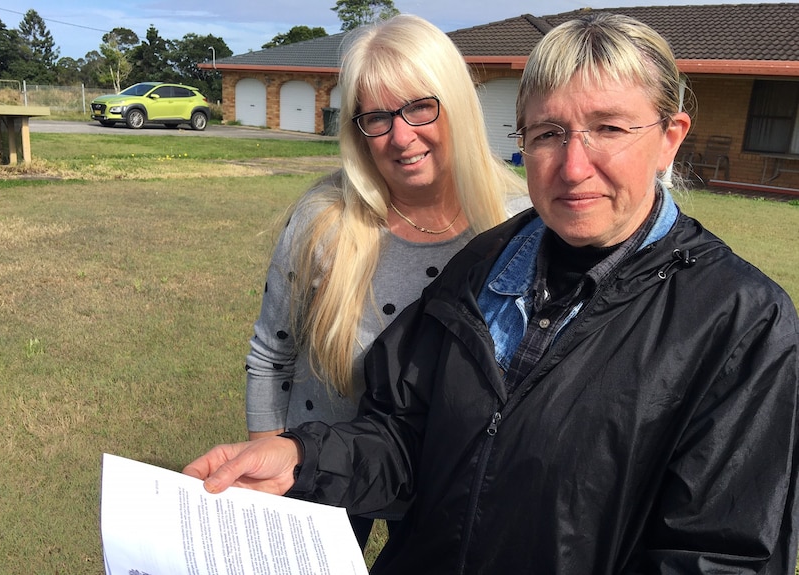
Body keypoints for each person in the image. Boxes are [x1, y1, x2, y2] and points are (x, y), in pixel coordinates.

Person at [186, 13, 799, 574]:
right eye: (549, 133)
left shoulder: (741, 322)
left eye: (608, 127)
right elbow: (405, 438)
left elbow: (722, 555)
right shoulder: (484, 262)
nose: (574, 165)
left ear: (670, 136)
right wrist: (300, 459)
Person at [240, 14, 528, 549]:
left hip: (445, 479)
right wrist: (268, 465)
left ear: (458, 104)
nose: (401, 137)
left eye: (420, 106)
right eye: (375, 117)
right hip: (317, 463)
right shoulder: (323, 218)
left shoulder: (519, 226)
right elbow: (271, 354)